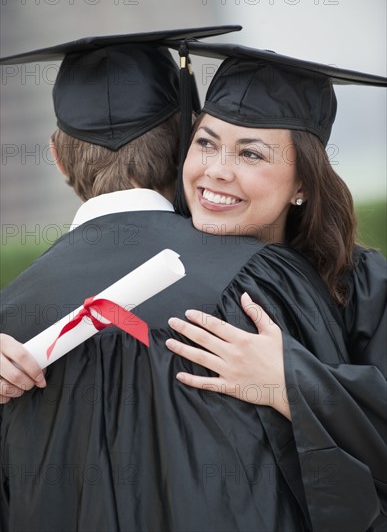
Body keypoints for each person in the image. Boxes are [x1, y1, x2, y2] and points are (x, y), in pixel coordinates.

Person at [0, 36, 385, 531]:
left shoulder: (358, 284)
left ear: (305, 182)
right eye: (206, 143)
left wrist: (297, 383)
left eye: (251, 154)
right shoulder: (20, 330)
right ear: (184, 144)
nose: (218, 171)